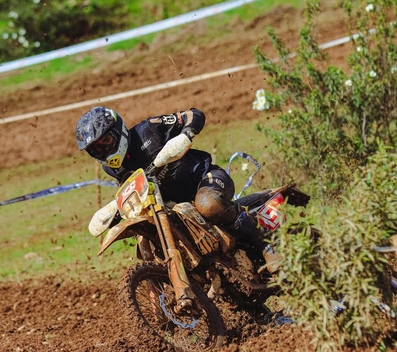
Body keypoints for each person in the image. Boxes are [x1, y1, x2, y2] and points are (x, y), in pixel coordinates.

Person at [75, 106, 281, 278]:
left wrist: (186, 133)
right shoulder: (111, 168)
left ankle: (266, 244)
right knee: (151, 237)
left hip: (206, 180)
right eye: (96, 149)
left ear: (118, 130)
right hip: (173, 205)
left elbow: (193, 114)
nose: (103, 150)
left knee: (208, 205)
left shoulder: (149, 129)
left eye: (106, 141)